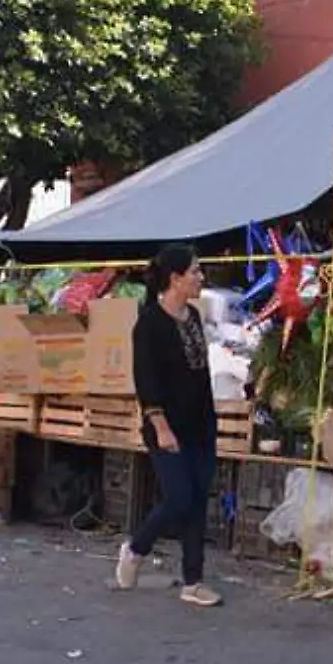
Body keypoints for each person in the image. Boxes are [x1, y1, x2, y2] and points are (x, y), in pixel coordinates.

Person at [116, 245, 223, 608]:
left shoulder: (192, 316)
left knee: (196, 503)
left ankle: (194, 581)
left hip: (201, 425)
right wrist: (161, 427)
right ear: (176, 278)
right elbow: (146, 382)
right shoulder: (148, 324)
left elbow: (200, 374)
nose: (201, 277)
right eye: (195, 271)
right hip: (167, 426)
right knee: (179, 498)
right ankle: (136, 548)